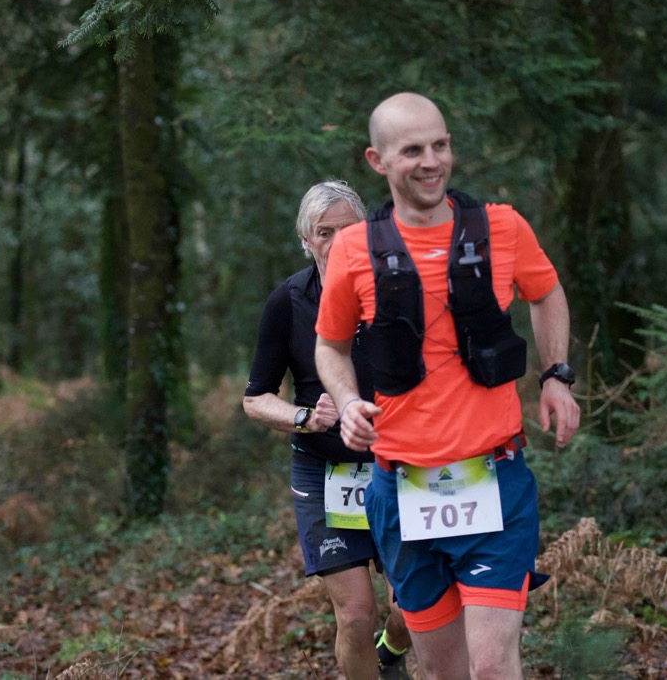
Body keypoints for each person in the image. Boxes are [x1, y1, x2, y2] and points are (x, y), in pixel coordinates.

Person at [314, 93, 581, 680]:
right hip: (401, 488)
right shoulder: (355, 249)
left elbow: (546, 293)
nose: (431, 161)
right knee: (442, 672)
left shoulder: (502, 227)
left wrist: (556, 375)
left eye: (440, 145)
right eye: (413, 150)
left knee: (491, 666)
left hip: (493, 477)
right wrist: (350, 401)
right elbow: (329, 346)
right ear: (378, 160)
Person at [243, 180, 412, 680]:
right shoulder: (288, 301)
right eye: (324, 232)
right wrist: (303, 417)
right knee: (356, 616)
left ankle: (390, 653)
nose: (337, 242)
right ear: (306, 240)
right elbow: (255, 398)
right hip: (324, 471)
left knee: (412, 609)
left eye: (348, 229)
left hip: (398, 466)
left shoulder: (399, 290)